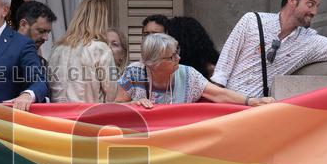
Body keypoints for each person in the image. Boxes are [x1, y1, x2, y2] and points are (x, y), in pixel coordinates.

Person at [116, 33, 271, 108]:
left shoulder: (189, 75)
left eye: (177, 52)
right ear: (153, 63)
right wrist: (134, 104)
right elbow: (114, 106)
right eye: (171, 57)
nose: (178, 58)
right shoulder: (134, 73)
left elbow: (219, 94)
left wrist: (251, 101)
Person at [48, 0, 119, 103]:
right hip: (86, 115)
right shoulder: (100, 49)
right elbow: (111, 93)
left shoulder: (57, 48)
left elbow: (50, 85)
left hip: (57, 115)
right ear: (101, 20)